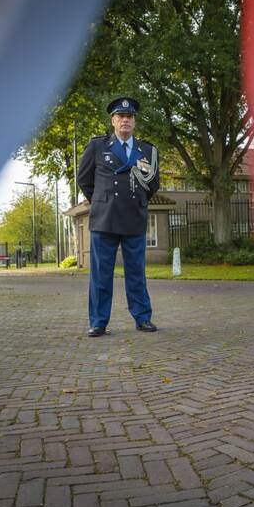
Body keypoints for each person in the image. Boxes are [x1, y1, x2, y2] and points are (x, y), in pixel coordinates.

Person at [77, 97, 161, 336]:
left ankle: (143, 318)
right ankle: (98, 322)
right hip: (105, 219)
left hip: (134, 217)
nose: (125, 120)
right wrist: (101, 200)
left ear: (134, 122)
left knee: (136, 274)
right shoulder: (98, 146)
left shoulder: (147, 150)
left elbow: (153, 183)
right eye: (120, 116)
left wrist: (137, 200)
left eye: (129, 116)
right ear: (112, 121)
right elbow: (84, 179)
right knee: (101, 275)